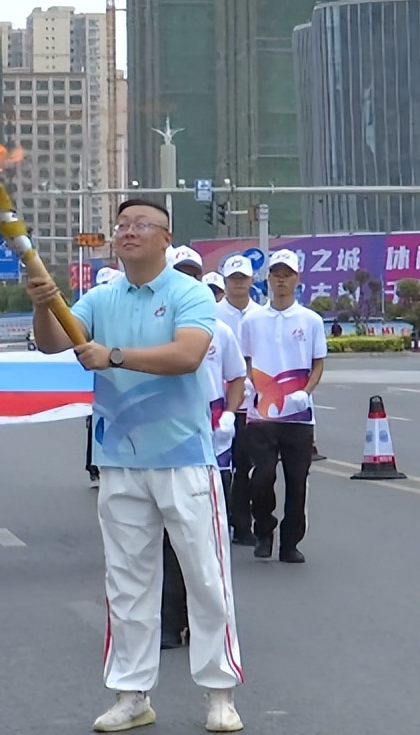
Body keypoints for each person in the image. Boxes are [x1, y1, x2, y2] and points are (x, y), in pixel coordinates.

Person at [30, 201, 243, 733]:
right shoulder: (102, 296)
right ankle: (131, 693)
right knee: (127, 582)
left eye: (140, 224)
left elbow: (188, 355)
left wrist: (115, 357)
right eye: (121, 225)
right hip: (120, 461)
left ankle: (220, 692)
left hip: (184, 459)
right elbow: (54, 341)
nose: (127, 232)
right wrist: (42, 306)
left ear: (166, 237)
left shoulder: (188, 292)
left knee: (207, 579)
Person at [162, 247, 246, 653]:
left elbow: (235, 379)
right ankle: (167, 622)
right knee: (168, 540)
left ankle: (204, 624)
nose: (187, 281)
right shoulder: (155, 326)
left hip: (214, 444)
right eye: (180, 273)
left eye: (193, 275)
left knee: (207, 540)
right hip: (168, 446)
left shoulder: (220, 328)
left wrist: (229, 416)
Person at [240, 249, 327, 564]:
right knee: (261, 477)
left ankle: (290, 543)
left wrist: (306, 391)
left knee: (296, 482)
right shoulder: (253, 320)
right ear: (268, 279)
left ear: (297, 279)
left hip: (299, 416)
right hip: (261, 413)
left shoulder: (311, 320)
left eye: (287, 274)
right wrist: (251, 384)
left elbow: (318, 364)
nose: (281, 280)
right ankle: (264, 531)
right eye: (276, 274)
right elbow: (246, 360)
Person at [215, 255, 260, 547]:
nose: (239, 284)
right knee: (219, 467)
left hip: (255, 405)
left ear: (251, 281)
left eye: (243, 278)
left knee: (245, 465)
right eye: (233, 279)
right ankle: (221, 520)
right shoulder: (212, 314)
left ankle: (243, 524)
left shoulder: (262, 314)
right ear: (225, 282)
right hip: (220, 403)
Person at [86, 266, 127, 485]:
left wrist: (114, 357)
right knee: (98, 426)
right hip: (104, 387)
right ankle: (95, 465)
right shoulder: (95, 307)